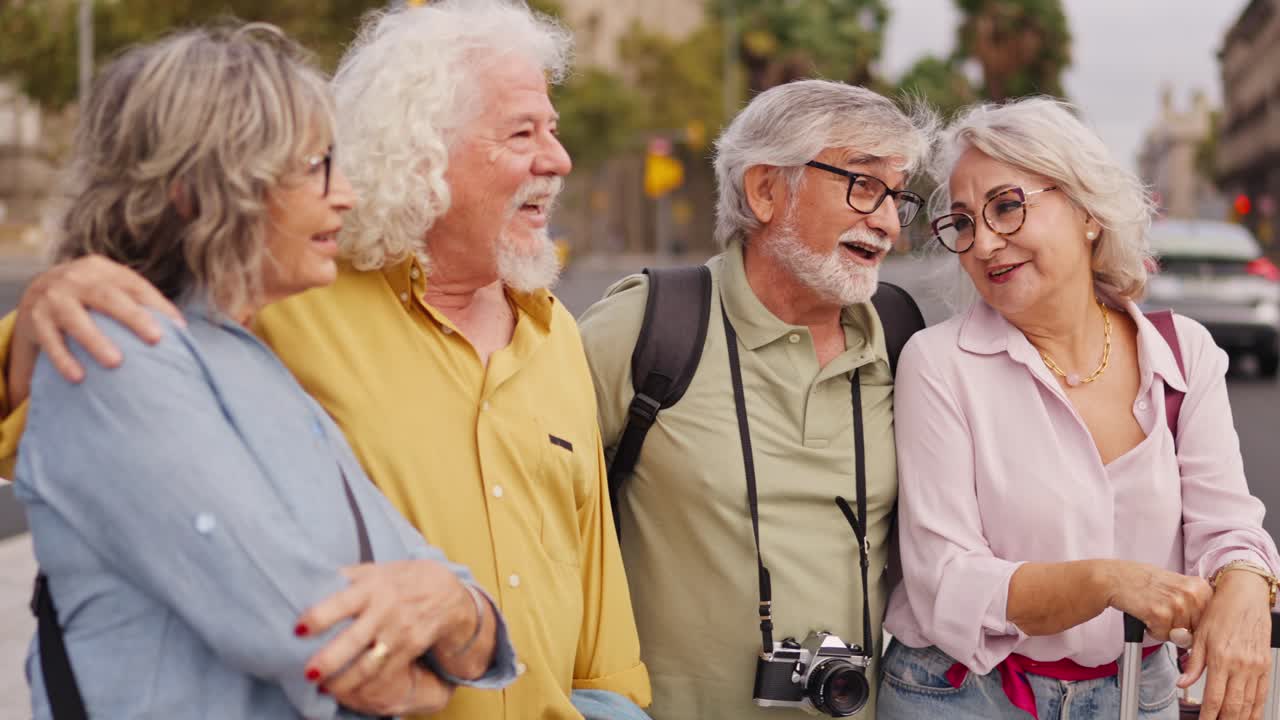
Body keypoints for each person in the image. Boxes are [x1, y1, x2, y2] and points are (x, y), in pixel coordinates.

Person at [0, 3, 650, 719]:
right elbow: (73, 403)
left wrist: (610, 701)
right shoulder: (277, 294)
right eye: (522, 132)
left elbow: (593, 602)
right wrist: (40, 317)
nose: (557, 158)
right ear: (421, 154)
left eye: (551, 130)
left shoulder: (555, 335)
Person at [879, 97, 1280, 720]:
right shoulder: (939, 365)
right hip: (965, 694)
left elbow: (1226, 526)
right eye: (962, 222)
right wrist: (1106, 582)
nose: (983, 243)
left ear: (1087, 211)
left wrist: (1249, 586)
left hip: (1139, 690)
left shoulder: (1183, 352)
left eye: (1007, 207)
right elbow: (946, 582)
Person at [577, 80, 933, 719]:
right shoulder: (648, 327)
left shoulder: (905, 339)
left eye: (897, 198)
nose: (885, 222)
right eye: (862, 185)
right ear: (765, 190)